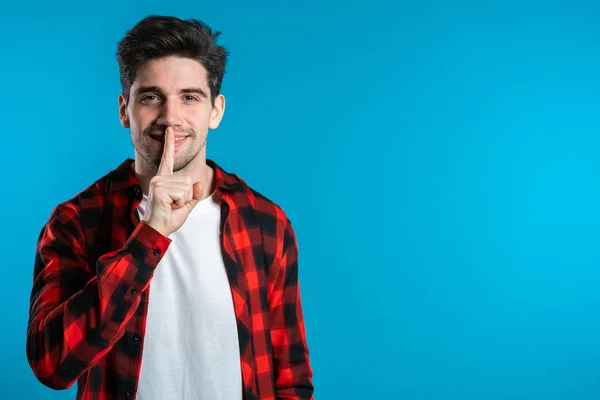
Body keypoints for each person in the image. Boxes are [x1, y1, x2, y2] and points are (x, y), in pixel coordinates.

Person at [26, 15, 314, 400]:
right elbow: (52, 364)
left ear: (216, 110)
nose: (170, 117)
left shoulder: (265, 223)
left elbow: (290, 378)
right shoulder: (77, 221)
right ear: (125, 110)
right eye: (150, 97)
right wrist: (150, 235)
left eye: (190, 97)